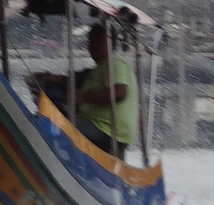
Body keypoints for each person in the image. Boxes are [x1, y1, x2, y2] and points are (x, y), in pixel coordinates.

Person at [34, 24, 137, 158]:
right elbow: (77, 79)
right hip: (96, 123)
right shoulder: (98, 69)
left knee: (52, 124)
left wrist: (83, 98)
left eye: (99, 42)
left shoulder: (115, 62)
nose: (93, 46)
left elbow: (119, 93)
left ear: (112, 44)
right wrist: (57, 81)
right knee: (54, 109)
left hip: (106, 128)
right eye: (91, 42)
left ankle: (47, 158)